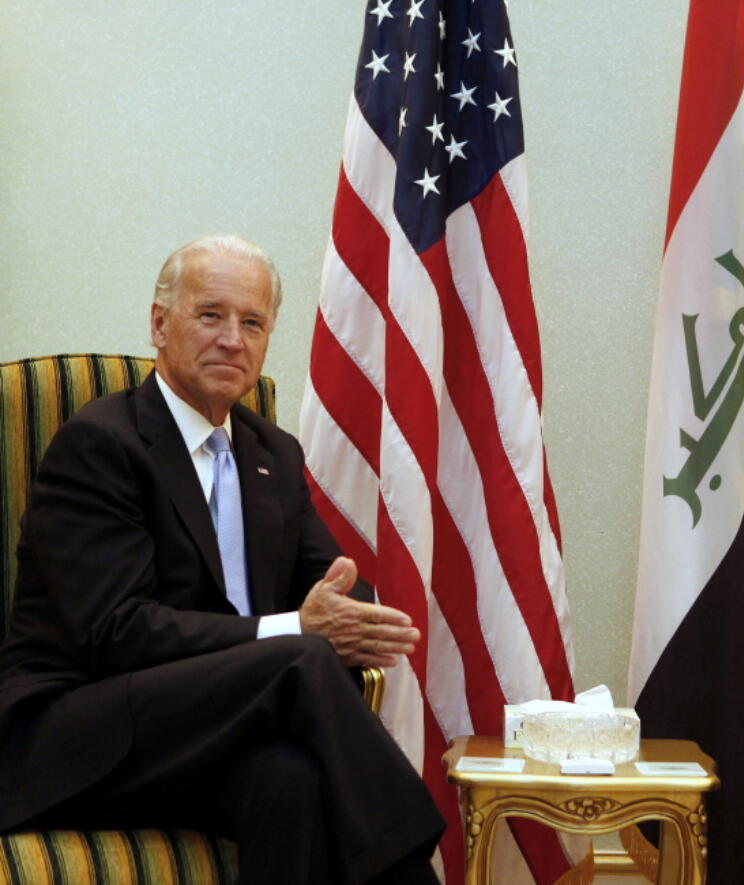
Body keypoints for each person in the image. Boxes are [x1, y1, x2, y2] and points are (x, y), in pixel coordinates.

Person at [0, 236, 444, 884]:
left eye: (253, 322)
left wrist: (353, 613)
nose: (233, 339)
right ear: (160, 323)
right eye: (211, 314)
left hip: (204, 732)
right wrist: (297, 631)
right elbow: (116, 632)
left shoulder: (274, 453)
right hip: (77, 732)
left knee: (287, 779)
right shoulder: (100, 443)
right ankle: (414, 869)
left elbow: (333, 588)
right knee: (303, 654)